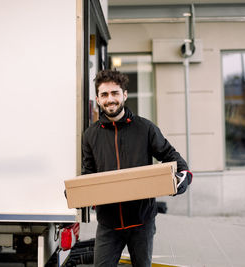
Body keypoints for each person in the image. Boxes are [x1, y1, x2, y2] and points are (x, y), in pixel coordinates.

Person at [82, 69, 192, 267]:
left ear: (124, 95)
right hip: (108, 223)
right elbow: (88, 174)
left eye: (115, 93)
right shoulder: (90, 135)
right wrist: (78, 192)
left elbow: (172, 157)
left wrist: (182, 178)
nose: (110, 99)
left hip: (142, 221)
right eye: (104, 95)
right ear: (98, 99)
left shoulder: (145, 128)